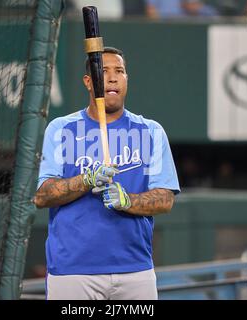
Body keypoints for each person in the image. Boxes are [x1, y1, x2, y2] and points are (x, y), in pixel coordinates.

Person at [34, 47, 180, 300]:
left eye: (120, 71)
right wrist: (86, 179)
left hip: (134, 270)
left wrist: (128, 201)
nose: (113, 78)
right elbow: (42, 197)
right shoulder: (61, 129)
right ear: (88, 82)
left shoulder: (151, 131)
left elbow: (166, 199)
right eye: (104, 72)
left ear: (126, 79)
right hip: (73, 271)